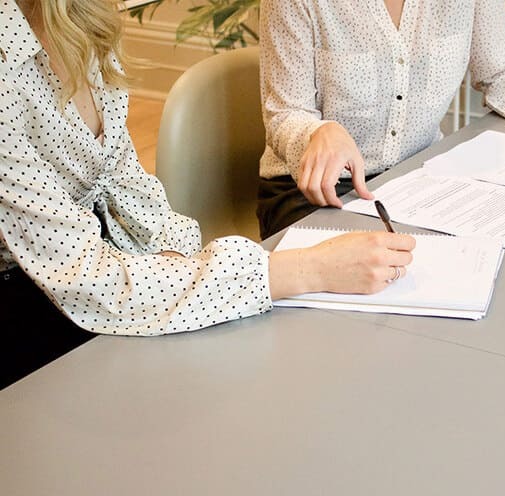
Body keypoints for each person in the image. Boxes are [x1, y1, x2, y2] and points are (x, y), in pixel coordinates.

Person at [0, 0, 415, 389]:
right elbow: (88, 279)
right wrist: (308, 270)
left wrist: (181, 264)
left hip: (98, 272)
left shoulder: (84, 21)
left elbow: (128, 188)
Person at [257, 0, 505, 238]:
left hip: (417, 180)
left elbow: (501, 72)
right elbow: (285, 113)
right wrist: (318, 133)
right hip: (313, 193)